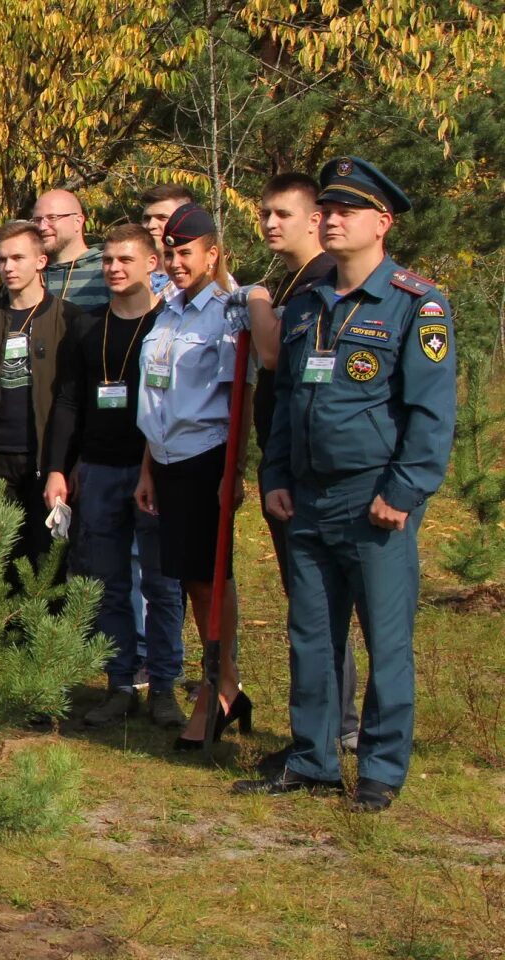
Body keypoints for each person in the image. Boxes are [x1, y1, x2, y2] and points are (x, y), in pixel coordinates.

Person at [240, 157, 455, 813]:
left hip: (375, 501)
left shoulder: (418, 305)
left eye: (346, 211)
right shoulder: (305, 304)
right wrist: (275, 476)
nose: (331, 220)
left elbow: (429, 413)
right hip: (306, 498)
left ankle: (382, 770)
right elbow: (285, 402)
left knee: (385, 642)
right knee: (311, 637)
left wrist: (405, 490)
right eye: (326, 209)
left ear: (382, 223)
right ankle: (313, 760)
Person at [132, 202, 276, 751]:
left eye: (185, 252)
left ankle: (221, 682)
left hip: (205, 457)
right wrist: (147, 468)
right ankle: (221, 679)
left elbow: (240, 393)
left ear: (212, 253)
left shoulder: (226, 310)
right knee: (187, 576)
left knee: (209, 577)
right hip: (165, 459)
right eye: (169, 252)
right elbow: (157, 394)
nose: (175, 261)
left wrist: (234, 470)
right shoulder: (166, 311)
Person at [44, 225, 187, 728]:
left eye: (126, 259)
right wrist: (59, 467)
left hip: (158, 471)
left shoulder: (168, 326)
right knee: (106, 583)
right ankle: (119, 683)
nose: (114, 268)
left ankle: (165, 687)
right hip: (99, 472)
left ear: (154, 264)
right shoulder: (85, 327)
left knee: (163, 583)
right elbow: (67, 400)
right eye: (107, 260)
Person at [248, 172, 356, 778]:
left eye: (283, 213)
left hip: (327, 476)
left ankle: (338, 730)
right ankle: (319, 732)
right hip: (286, 466)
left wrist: (258, 304)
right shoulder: (294, 280)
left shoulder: (319, 283)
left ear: (316, 219)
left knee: (325, 611)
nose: (269, 223)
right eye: (265, 212)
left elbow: (273, 358)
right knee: (308, 610)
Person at [0, 221, 75, 574]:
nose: (8, 267)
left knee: (50, 560)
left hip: (45, 461)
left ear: (41, 261)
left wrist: (62, 465)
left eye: (18, 258)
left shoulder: (68, 318)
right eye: (2, 259)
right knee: (3, 560)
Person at [32, 189, 109, 311]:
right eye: (37, 220)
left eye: (52, 217)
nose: (42, 227)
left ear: (77, 221)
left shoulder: (108, 270)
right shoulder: (30, 273)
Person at [140, 185, 196, 297]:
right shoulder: (124, 274)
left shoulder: (208, 281)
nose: (151, 225)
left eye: (162, 218)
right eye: (147, 218)